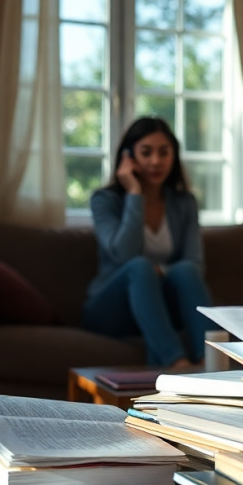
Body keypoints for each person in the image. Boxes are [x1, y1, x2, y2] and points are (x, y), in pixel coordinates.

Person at [82, 117, 213, 367]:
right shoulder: (104, 200)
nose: (156, 161)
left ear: (174, 156)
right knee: (139, 267)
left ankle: (209, 363)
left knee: (185, 271)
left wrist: (160, 272)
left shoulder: (184, 203)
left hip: (160, 308)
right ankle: (177, 364)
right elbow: (123, 255)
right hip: (111, 310)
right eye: (146, 152)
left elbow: (196, 264)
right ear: (129, 156)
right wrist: (134, 194)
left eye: (164, 152)